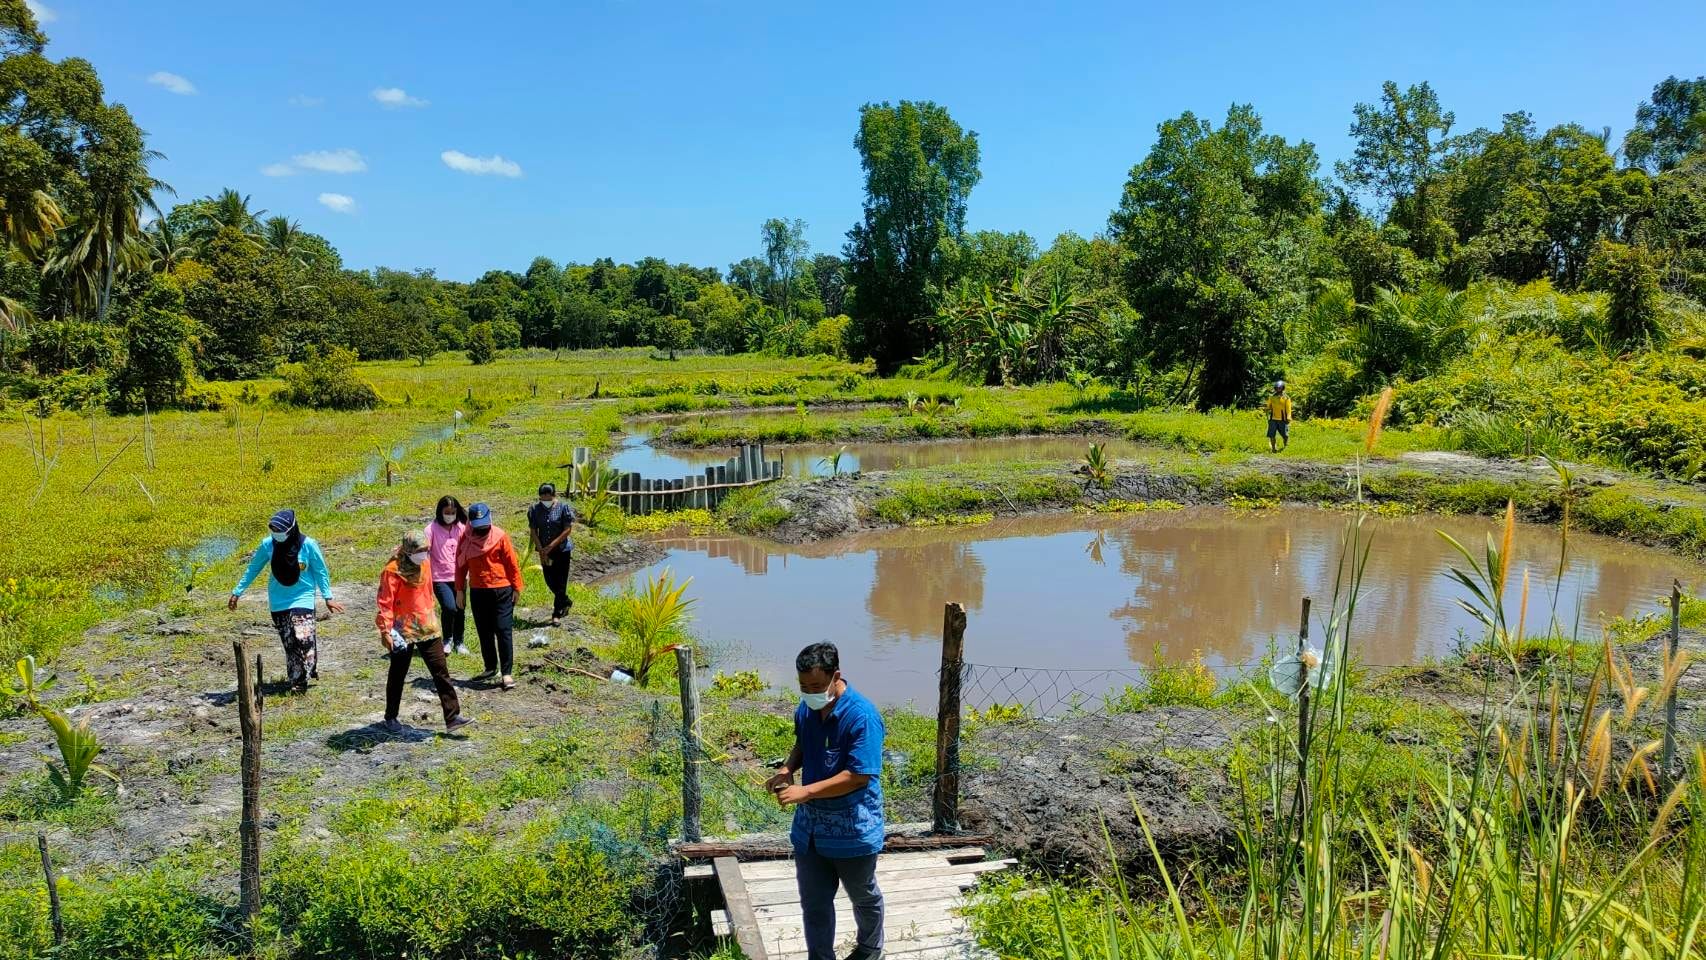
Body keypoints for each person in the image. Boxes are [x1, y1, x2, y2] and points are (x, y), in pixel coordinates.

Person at [765, 642, 886, 960]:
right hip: (811, 831)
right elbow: (802, 744)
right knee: (814, 903)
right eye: (804, 686)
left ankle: (870, 951)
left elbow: (858, 776)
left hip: (852, 830)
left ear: (837, 677)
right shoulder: (806, 708)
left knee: (863, 896)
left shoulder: (862, 716)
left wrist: (805, 792)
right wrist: (787, 769)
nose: (810, 692)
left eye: (817, 686)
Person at [229, 509, 344, 692]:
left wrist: (327, 597)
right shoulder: (268, 545)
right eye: (273, 529)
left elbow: (320, 571)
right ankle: (298, 680)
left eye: (280, 529)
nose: (276, 533)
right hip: (279, 601)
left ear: (291, 529)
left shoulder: (308, 545)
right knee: (291, 644)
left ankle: (305, 672)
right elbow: (253, 569)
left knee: (304, 638)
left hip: (303, 597)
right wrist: (237, 592)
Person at [376, 532, 474, 735]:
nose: (423, 554)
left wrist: (431, 612)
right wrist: (386, 630)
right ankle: (391, 716)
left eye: (426, 550)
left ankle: (452, 717)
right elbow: (385, 603)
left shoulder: (425, 564)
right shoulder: (392, 571)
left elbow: (428, 591)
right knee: (398, 674)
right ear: (409, 550)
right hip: (402, 629)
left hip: (427, 626)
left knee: (441, 671)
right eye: (419, 551)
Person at [455, 502, 523, 691]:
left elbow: (512, 564)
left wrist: (517, 588)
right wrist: (460, 590)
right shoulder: (465, 538)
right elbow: (460, 566)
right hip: (478, 591)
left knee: (503, 631)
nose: (481, 530)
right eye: (478, 526)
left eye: (484, 525)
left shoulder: (500, 536)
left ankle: (506, 672)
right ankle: (490, 667)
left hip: (502, 590)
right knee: (484, 631)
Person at [526, 482, 577, 625]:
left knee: (561, 582)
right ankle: (566, 601)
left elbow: (567, 530)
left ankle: (556, 613)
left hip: (562, 550)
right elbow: (534, 531)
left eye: (549, 499)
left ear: (554, 496)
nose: (546, 502)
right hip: (544, 551)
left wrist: (551, 545)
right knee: (549, 580)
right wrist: (541, 549)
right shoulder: (535, 510)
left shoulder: (563, 508)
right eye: (543, 499)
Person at [428, 496, 470, 656]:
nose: (450, 515)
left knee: (460, 609)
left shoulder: (461, 527)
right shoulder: (431, 529)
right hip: (440, 577)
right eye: (447, 512)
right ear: (440, 512)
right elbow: (423, 550)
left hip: (460, 576)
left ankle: (459, 641)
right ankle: (447, 639)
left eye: (453, 512)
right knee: (449, 607)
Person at [1266, 380, 1293, 453]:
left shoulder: (1286, 398)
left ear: (1283, 388)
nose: (1278, 389)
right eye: (1277, 388)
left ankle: (1285, 445)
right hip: (1273, 419)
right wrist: (1267, 410)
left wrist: (1288, 417)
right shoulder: (1272, 397)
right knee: (1272, 434)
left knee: (1285, 435)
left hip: (1283, 419)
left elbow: (1288, 409)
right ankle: (1273, 448)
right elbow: (1268, 406)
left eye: (1280, 388)